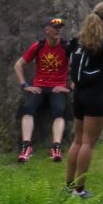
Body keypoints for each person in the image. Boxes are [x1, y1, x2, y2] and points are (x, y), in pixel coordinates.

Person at [63, 1, 103, 198]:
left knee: (77, 140)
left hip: (79, 94)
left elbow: (69, 59)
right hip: (95, 95)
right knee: (88, 143)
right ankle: (79, 190)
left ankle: (69, 185)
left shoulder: (78, 39)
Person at [13, 14, 71, 162]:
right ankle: (26, 146)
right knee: (27, 108)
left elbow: (79, 67)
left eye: (60, 27)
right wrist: (25, 85)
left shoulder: (67, 47)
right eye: (55, 27)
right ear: (47, 30)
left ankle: (56, 147)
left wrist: (70, 87)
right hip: (39, 86)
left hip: (57, 88)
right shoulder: (38, 46)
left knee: (59, 110)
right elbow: (18, 65)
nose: (58, 30)